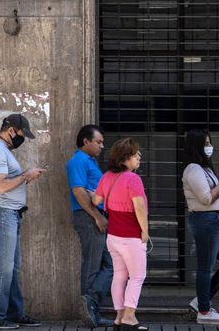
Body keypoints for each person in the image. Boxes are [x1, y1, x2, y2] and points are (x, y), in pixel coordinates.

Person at [0, 114, 46, 329]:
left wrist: (28, 174)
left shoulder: (3, 151)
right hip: (2, 213)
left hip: (10, 213)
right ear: (11, 130)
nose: (22, 139)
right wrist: (27, 175)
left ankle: (14, 313)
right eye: (21, 134)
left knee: (12, 267)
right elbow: (1, 186)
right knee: (4, 267)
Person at [181, 129, 219, 325]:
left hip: (217, 220)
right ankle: (204, 312)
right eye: (205, 143)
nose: (209, 147)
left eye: (209, 143)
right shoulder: (193, 169)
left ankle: (201, 301)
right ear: (196, 146)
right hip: (206, 220)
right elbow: (206, 198)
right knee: (205, 267)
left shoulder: (204, 168)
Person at [92, 137, 149, 331]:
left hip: (113, 237)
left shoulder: (107, 176)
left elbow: (97, 199)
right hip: (131, 236)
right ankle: (130, 317)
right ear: (125, 159)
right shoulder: (133, 179)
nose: (139, 157)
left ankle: (119, 317)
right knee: (137, 276)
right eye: (135, 154)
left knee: (119, 276)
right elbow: (139, 206)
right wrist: (145, 231)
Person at [66, 124, 113, 327]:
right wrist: (97, 216)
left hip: (96, 216)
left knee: (109, 265)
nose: (102, 146)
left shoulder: (90, 161)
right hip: (88, 218)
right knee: (93, 266)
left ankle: (91, 304)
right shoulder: (78, 161)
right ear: (86, 141)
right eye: (98, 142)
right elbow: (78, 191)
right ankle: (90, 308)